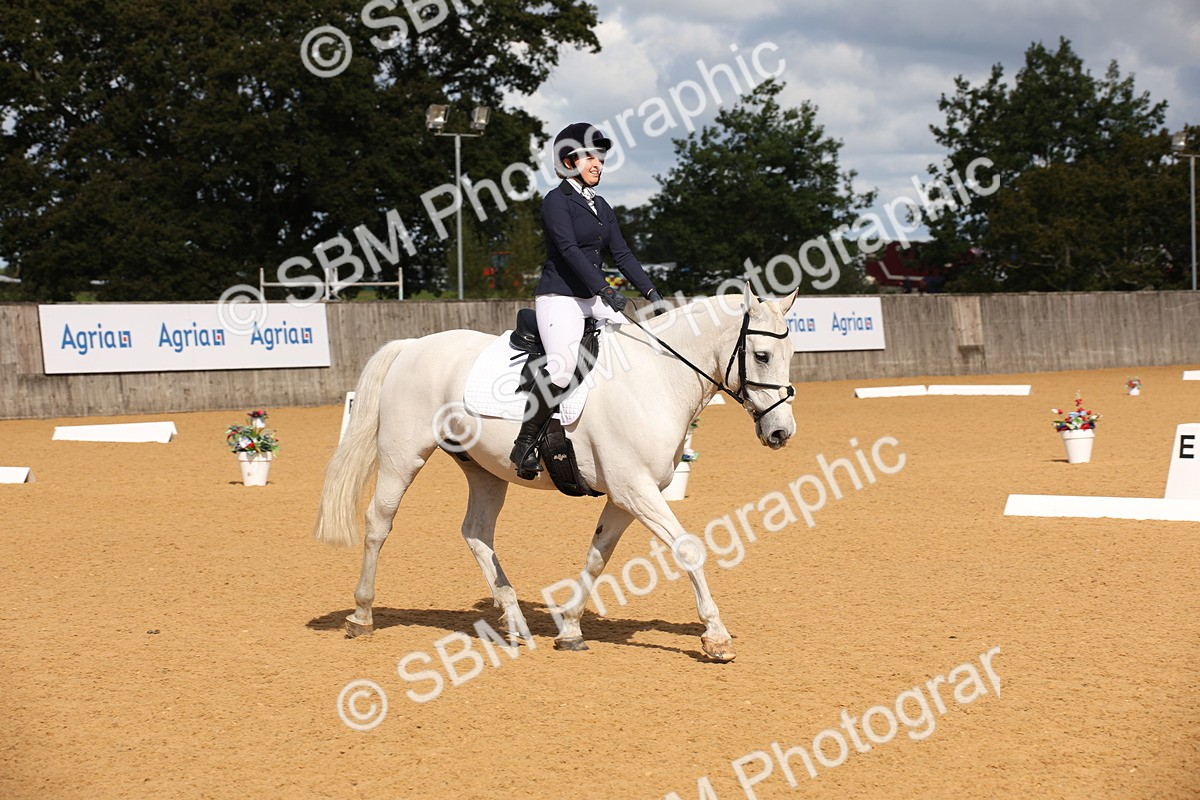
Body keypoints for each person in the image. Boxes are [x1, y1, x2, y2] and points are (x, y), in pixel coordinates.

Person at [509, 122, 665, 479]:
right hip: (560, 296)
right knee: (562, 367)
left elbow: (622, 254)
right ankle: (525, 443)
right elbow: (568, 251)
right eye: (589, 157)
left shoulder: (602, 206)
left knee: (637, 345)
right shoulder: (555, 201)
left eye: (601, 157)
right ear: (568, 161)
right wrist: (606, 290)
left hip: (591, 296)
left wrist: (652, 292)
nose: (598, 163)